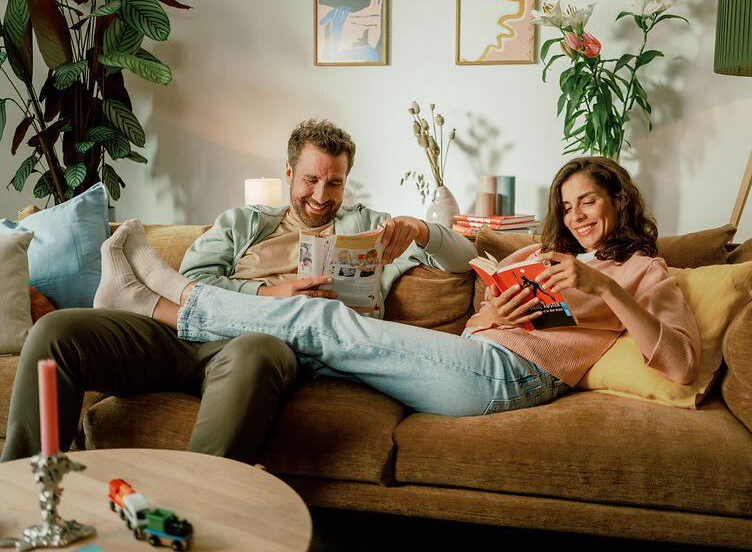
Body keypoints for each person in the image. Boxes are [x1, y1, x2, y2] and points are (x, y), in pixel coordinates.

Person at [1, 119, 476, 463]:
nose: (320, 195)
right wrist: (273, 294)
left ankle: (198, 511)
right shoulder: (241, 223)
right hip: (179, 337)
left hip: (267, 347)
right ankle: (22, 495)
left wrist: (422, 230)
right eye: (311, 179)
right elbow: (195, 282)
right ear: (289, 174)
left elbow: (466, 257)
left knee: (254, 348)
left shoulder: (372, 231)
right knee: (58, 331)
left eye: (334, 183)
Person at [89, 157, 700, 418]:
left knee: (317, 320)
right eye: (566, 207)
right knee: (312, 341)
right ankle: (158, 308)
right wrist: (498, 306)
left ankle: (156, 299)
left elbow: (680, 364)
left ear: (617, 200)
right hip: (478, 357)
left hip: (511, 379)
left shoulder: (647, 271)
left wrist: (607, 288)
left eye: (587, 201)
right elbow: (478, 279)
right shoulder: (545, 252)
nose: (576, 217)